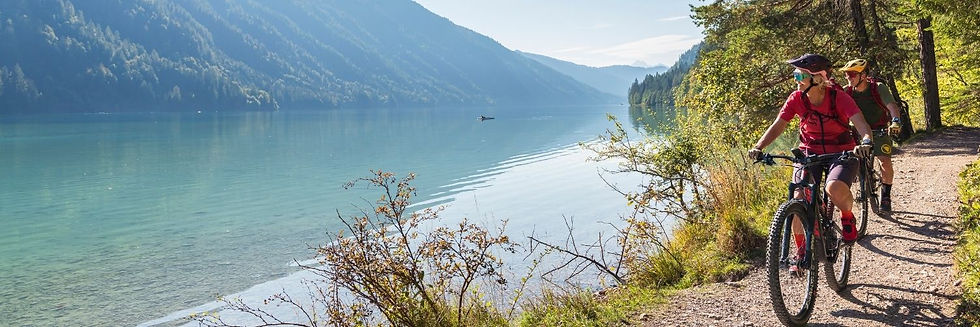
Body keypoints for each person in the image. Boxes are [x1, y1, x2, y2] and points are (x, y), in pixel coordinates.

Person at [748, 54, 874, 251]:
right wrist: (758, 147)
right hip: (809, 152)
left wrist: (866, 141)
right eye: (795, 76)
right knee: (798, 198)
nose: (795, 81)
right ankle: (801, 251)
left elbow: (862, 124)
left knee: (833, 187)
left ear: (816, 79)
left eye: (799, 77)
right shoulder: (796, 99)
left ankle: (847, 216)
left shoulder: (839, 97)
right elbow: (778, 126)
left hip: (841, 152)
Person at [840, 58, 902, 212]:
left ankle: (886, 195)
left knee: (884, 161)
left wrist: (895, 122)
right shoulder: (846, 91)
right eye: (847, 74)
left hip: (879, 129)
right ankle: (860, 179)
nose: (848, 77)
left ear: (864, 75)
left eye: (852, 74)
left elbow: (892, 106)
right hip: (856, 131)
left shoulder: (878, 88)